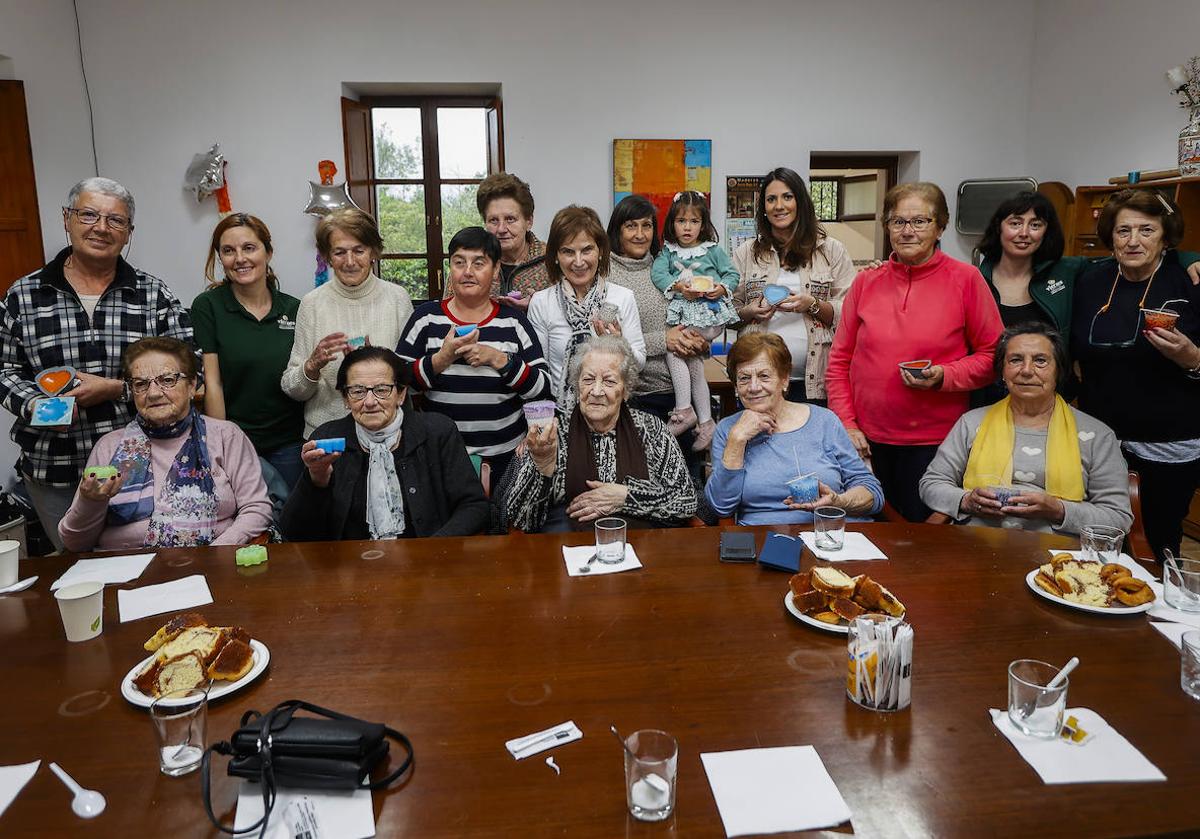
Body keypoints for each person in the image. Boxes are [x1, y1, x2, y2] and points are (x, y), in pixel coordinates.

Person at [0, 177, 195, 550]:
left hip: (141, 465)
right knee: (73, 564)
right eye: (88, 214)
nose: (101, 228)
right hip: (53, 466)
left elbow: (190, 366)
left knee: (145, 562)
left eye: (115, 221)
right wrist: (37, 406)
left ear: (129, 233)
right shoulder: (23, 295)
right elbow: (4, 370)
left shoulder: (153, 295)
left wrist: (118, 389)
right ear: (67, 219)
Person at [826, 181, 1004, 522]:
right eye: (898, 221)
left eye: (919, 221)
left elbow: (993, 357)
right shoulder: (866, 282)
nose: (907, 231)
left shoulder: (966, 280)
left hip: (935, 443)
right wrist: (847, 424)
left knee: (923, 543)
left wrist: (944, 377)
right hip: (865, 440)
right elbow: (839, 362)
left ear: (940, 227)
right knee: (869, 537)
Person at [972, 191, 1200, 405]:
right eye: (1123, 231)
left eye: (1035, 224)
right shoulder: (972, 279)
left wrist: (1188, 258)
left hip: (1056, 402)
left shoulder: (1068, 271)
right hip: (992, 398)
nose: (1133, 240)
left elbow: (1144, 255)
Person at [1071, 189, 1200, 560]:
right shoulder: (1091, 282)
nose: (1133, 241)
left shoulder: (1188, 281)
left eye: (1146, 230)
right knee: (1094, 540)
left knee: (1159, 541)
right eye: (1122, 230)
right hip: (1098, 441)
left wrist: (1192, 357)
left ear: (1165, 236)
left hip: (1168, 443)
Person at [59, 337, 271, 551]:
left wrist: (216, 553)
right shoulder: (109, 446)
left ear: (191, 386)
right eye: (141, 384)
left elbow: (256, 509)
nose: (153, 393)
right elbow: (75, 543)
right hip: (124, 568)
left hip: (210, 564)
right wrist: (90, 502)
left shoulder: (226, 436)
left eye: (167, 380)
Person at [920, 324, 1132, 535]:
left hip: (1063, 560)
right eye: (1015, 360)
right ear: (1002, 371)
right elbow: (932, 484)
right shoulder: (972, 423)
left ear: (1058, 371)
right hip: (975, 548)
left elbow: (1118, 518)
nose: (1027, 370)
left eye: (1040, 361)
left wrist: (1059, 510)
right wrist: (966, 501)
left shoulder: (1096, 436)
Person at [281, 348, 489, 541]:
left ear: (400, 394)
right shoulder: (326, 438)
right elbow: (294, 532)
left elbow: (474, 506)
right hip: (350, 571)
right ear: (345, 398)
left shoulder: (437, 432)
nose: (370, 401)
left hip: (429, 566)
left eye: (381, 389)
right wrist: (316, 480)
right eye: (358, 391)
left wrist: (431, 551)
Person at [395, 226, 551, 481]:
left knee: (501, 522)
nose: (467, 272)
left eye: (479, 263)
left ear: (496, 269)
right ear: (450, 268)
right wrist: (441, 359)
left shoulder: (513, 321)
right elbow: (398, 385)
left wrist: (498, 359)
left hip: (507, 458)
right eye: (459, 263)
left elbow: (543, 388)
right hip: (438, 459)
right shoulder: (426, 318)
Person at [498, 335, 698, 532]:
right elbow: (519, 520)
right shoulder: (553, 433)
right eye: (588, 379)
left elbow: (686, 502)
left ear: (626, 390)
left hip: (638, 548)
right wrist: (541, 467)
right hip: (567, 549)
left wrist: (627, 497)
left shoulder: (651, 429)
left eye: (609, 381)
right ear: (577, 385)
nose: (596, 390)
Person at [706, 333, 882, 525]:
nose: (754, 387)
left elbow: (871, 493)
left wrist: (838, 501)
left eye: (764, 376)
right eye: (744, 378)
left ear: (785, 380)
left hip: (831, 535)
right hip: (765, 540)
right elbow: (720, 506)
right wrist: (737, 440)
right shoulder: (728, 430)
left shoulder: (825, 421)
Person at [191, 213, 304, 510]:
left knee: (291, 524)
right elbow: (212, 382)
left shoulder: (294, 309)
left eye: (249, 248)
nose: (239, 258)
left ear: (268, 252)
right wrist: (221, 445)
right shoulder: (209, 306)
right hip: (238, 442)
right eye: (228, 251)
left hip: (290, 441)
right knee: (245, 524)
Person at [282, 208, 413, 438]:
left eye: (358, 251)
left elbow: (410, 376)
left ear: (373, 251)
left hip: (389, 435)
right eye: (340, 252)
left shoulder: (397, 298)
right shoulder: (312, 303)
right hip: (328, 436)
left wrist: (375, 362)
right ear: (328, 257)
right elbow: (293, 389)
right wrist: (312, 365)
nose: (350, 261)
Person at [732, 167, 855, 405]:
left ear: (801, 202)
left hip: (816, 384)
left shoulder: (831, 250)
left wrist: (812, 304)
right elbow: (727, 311)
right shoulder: (747, 252)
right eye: (771, 199)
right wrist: (750, 311)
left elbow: (850, 312)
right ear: (763, 208)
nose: (779, 206)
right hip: (759, 383)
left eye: (787, 197)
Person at [605, 196, 708, 455]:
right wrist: (665, 340)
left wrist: (698, 340)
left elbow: (690, 314)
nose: (640, 234)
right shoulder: (605, 274)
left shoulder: (667, 266)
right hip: (637, 398)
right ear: (617, 229)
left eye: (647, 226)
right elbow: (609, 342)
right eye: (631, 226)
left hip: (681, 398)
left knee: (685, 481)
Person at [650, 191, 741, 450]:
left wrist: (722, 288)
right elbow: (658, 275)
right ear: (672, 224)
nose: (687, 227)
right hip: (687, 311)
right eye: (681, 221)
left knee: (674, 349)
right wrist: (678, 287)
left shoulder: (712, 250)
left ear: (703, 224)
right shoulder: (668, 252)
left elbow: (732, 274)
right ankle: (706, 421)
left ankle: (683, 409)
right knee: (694, 365)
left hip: (708, 314)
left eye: (694, 221)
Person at [527, 206, 645, 401]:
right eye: (568, 252)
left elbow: (639, 365)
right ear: (556, 256)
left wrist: (620, 344)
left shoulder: (622, 297)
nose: (579, 261)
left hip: (612, 409)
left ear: (600, 251)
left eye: (587, 249)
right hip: (561, 413)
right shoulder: (542, 302)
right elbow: (540, 371)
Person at [476, 172, 550, 310]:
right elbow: (449, 317)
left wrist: (536, 307)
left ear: (529, 221)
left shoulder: (552, 261)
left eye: (510, 219)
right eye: (493, 220)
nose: (501, 229)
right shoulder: (469, 264)